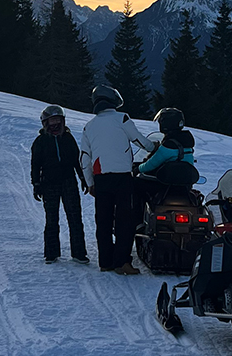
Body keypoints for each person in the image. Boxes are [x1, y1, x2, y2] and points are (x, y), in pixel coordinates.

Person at [80, 85, 155, 275]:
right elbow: (139, 140)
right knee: (124, 220)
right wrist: (154, 147)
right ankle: (122, 262)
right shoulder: (122, 118)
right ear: (113, 101)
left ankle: (105, 261)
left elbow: (84, 158)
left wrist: (90, 183)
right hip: (122, 177)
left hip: (101, 178)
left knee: (103, 221)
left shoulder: (89, 126)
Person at [30, 105, 89, 265]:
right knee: (51, 219)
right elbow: (35, 164)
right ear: (45, 123)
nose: (55, 124)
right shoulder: (41, 141)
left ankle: (79, 253)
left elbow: (77, 160)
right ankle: (51, 253)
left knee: (75, 217)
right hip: (49, 183)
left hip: (69, 181)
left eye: (58, 120)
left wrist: (83, 178)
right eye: (52, 120)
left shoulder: (68, 139)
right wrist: (36, 183)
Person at [133, 108, 196, 214]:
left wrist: (137, 168)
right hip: (183, 186)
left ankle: (137, 219)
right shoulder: (186, 142)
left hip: (164, 185)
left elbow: (151, 164)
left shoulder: (169, 144)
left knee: (135, 185)